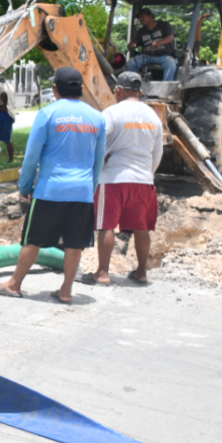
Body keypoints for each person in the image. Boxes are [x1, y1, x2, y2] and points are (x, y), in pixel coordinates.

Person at [0, 66, 106, 305]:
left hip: (51, 190)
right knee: (74, 244)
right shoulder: (97, 118)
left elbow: (32, 156)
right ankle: (66, 291)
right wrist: (90, 189)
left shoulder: (48, 114)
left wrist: (25, 186)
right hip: (82, 192)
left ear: (55, 90)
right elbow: (98, 159)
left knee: (33, 240)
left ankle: (14, 284)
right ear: (81, 89)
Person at [84, 71, 164, 285]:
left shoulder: (112, 113)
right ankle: (142, 272)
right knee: (141, 227)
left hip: (113, 179)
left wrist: (99, 164)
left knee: (106, 225)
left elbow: (97, 140)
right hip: (144, 180)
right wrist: (148, 174)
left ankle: (102, 273)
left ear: (118, 90)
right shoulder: (153, 117)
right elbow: (157, 154)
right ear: (140, 92)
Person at [126, 8, 178, 82]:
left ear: (151, 16)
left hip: (164, 56)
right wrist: (133, 44)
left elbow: (171, 37)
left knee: (171, 63)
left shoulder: (164, 25)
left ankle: (166, 88)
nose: (141, 19)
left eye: (143, 16)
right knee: (131, 62)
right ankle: (133, 85)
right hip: (147, 57)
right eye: (140, 17)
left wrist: (158, 43)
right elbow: (131, 44)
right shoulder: (140, 32)